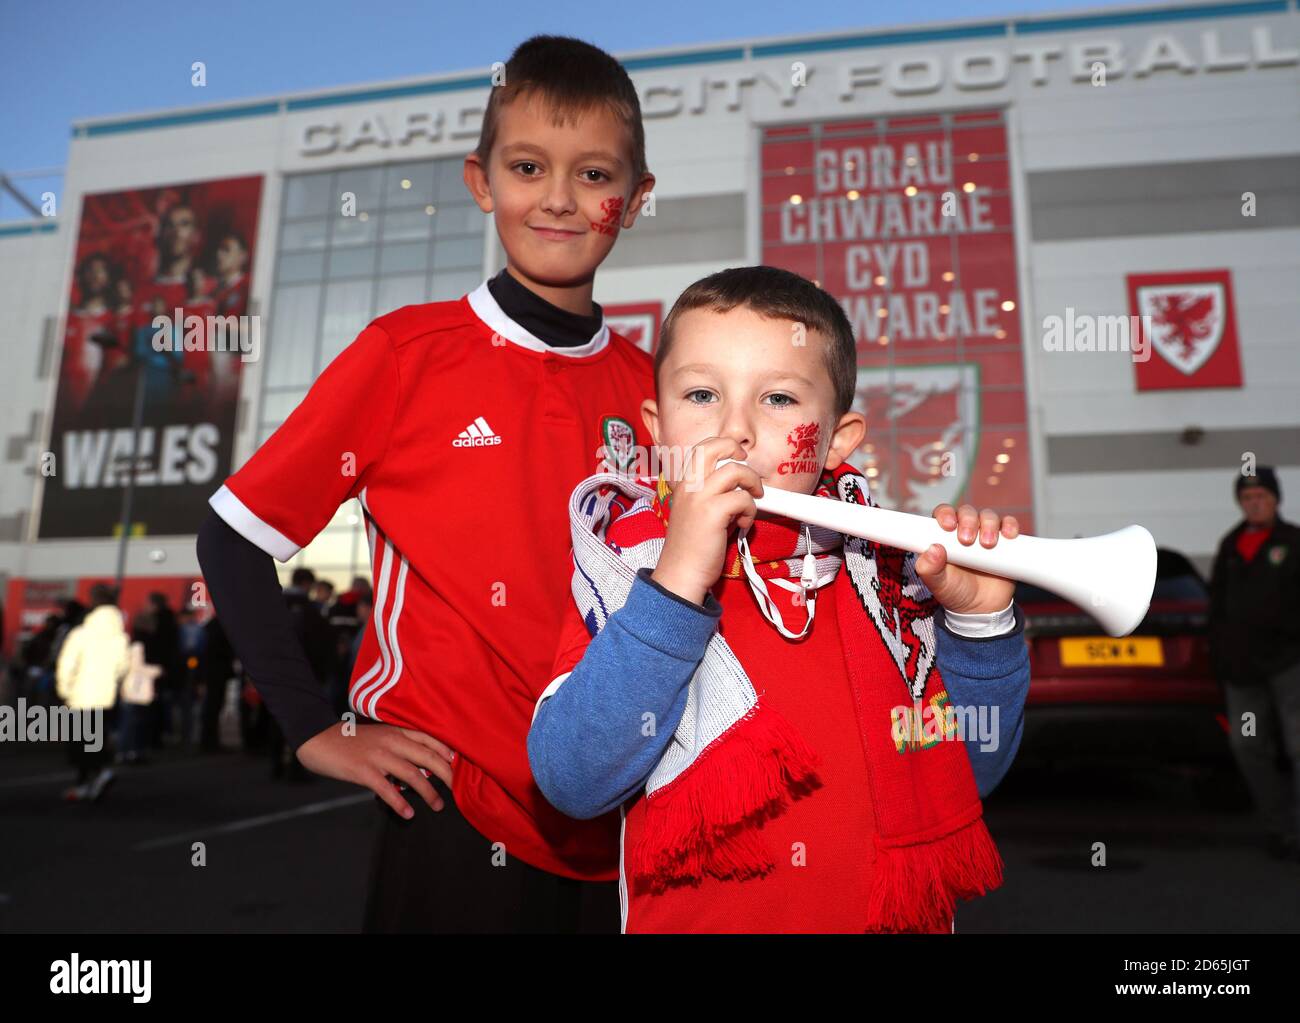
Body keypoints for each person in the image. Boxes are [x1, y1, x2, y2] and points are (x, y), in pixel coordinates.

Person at [195, 35, 657, 933]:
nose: (559, 198)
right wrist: (313, 727)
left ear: (633, 200)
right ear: (482, 182)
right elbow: (234, 537)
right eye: (528, 166)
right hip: (454, 808)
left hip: (627, 814)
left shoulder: (656, 385)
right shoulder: (407, 354)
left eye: (594, 175)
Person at [528, 266, 1032, 933]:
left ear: (838, 438)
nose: (735, 428)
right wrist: (676, 585)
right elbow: (572, 778)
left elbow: (972, 768)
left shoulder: (890, 583)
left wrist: (979, 622)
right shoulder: (628, 573)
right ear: (656, 426)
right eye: (702, 393)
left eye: (779, 400)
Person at [1209, 466, 1300, 863]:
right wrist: (1220, 656)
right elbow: (1217, 608)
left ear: (1276, 500)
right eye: (1247, 498)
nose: (1254, 503)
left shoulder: (1293, 542)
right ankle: (1279, 828)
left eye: (1261, 496)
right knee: (1247, 745)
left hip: (1289, 663)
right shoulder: (1230, 546)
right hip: (1241, 669)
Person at [55, 583, 131, 802]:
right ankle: (92, 779)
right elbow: (122, 667)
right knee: (95, 739)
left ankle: (91, 777)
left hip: (81, 694)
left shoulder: (82, 633)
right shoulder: (119, 636)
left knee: (79, 743)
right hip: (104, 695)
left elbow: (67, 663)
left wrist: (64, 689)